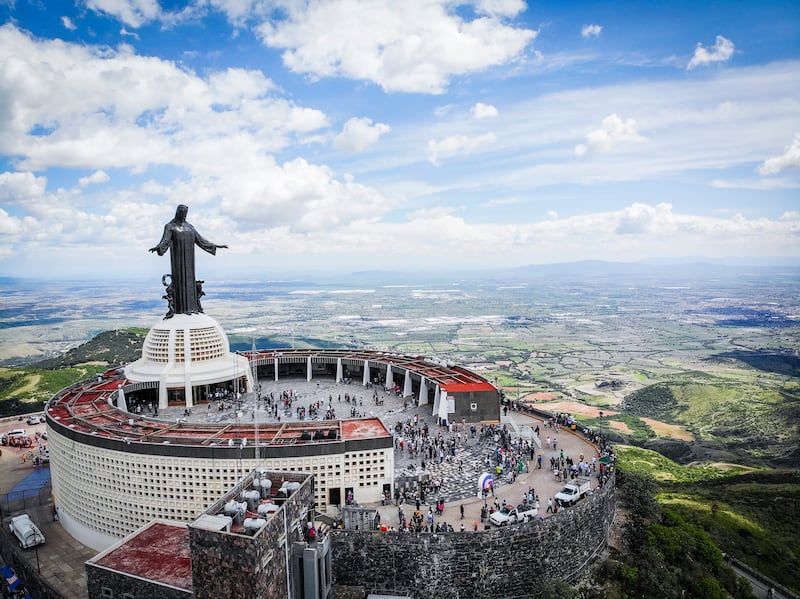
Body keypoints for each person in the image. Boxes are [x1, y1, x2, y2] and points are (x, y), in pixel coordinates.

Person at [150, 205, 227, 315]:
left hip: (189, 260)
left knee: (189, 281)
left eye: (185, 212)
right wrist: (158, 247)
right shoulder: (170, 226)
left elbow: (200, 239)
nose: (184, 214)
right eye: (182, 212)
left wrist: (215, 245)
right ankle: (180, 308)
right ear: (177, 212)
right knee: (180, 281)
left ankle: (192, 307)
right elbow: (165, 240)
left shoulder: (190, 227)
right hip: (178, 260)